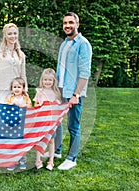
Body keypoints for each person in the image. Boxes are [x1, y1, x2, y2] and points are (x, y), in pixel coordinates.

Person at [56, 12, 92, 170]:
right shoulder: (64, 43)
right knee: (56, 122)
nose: (67, 25)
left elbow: (85, 72)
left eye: (71, 22)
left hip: (73, 92)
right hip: (61, 89)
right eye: (65, 23)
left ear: (77, 24)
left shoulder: (83, 44)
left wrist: (76, 94)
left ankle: (71, 158)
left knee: (73, 125)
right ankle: (56, 151)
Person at [33, 68, 61, 171]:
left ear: (53, 81)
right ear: (42, 80)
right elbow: (35, 104)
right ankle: (38, 160)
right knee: (40, 141)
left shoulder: (56, 93)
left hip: (51, 122)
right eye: (45, 80)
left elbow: (58, 107)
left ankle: (51, 161)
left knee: (51, 141)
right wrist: (39, 106)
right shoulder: (39, 92)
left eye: (50, 80)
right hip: (41, 121)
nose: (47, 82)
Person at [5, 77, 32, 171]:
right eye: (14, 87)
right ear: (11, 88)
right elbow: (6, 107)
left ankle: (22, 161)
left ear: (23, 88)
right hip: (13, 124)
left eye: (19, 87)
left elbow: (30, 106)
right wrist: (12, 104)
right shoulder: (10, 97)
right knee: (13, 142)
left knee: (22, 142)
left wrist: (23, 106)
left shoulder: (25, 98)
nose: (16, 89)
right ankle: (13, 161)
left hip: (23, 124)